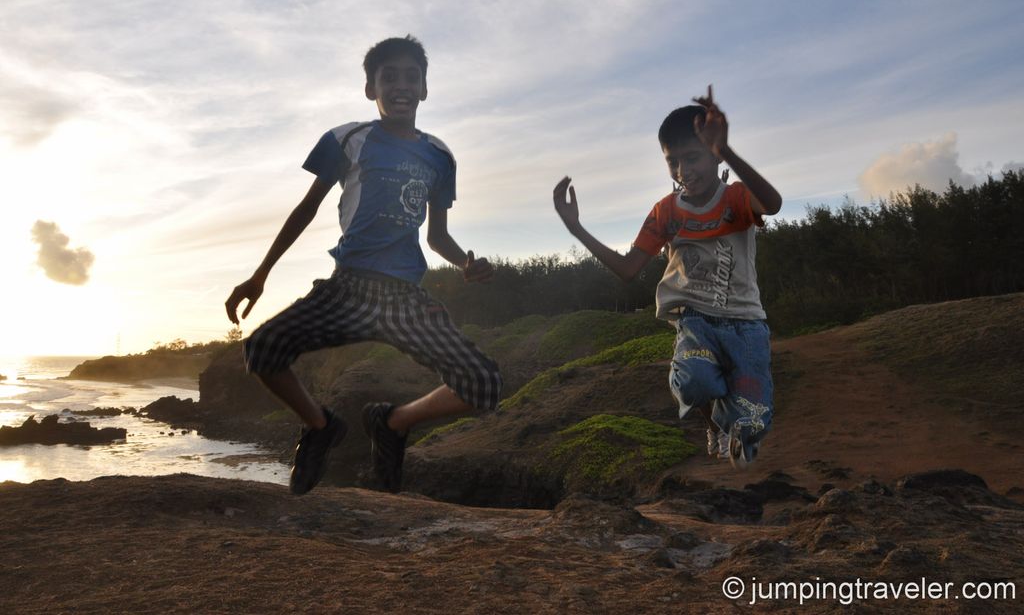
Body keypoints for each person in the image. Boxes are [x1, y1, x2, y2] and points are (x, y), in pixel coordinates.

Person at [225, 35, 502, 495]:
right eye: (389, 77)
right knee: (262, 348)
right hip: (348, 290)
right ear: (371, 88)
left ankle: (392, 423)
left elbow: (436, 236)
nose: (401, 86)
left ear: (425, 88)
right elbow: (306, 209)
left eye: (411, 77)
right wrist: (260, 275)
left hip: (403, 300)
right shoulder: (347, 139)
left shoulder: (439, 157)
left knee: (483, 383)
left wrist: (465, 264)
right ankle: (321, 426)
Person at [552, 86, 781, 468]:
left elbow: (772, 204)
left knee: (752, 418)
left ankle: (740, 426)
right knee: (695, 381)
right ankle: (716, 424)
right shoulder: (666, 212)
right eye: (672, 162)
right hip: (696, 321)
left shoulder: (736, 199)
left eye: (692, 158)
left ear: (714, 153)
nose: (682, 171)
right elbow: (628, 269)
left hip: (746, 323)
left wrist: (727, 150)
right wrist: (576, 229)